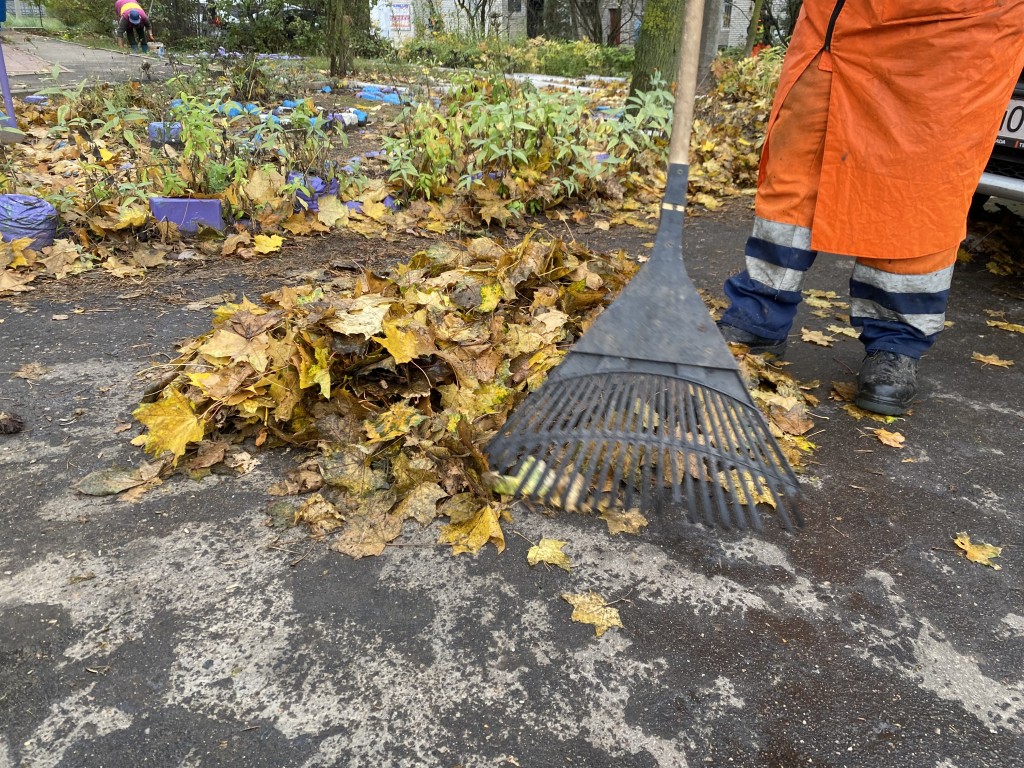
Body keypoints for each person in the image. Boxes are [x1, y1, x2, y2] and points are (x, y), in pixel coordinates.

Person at [716, 2, 1024, 416]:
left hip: (959, 30)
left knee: (919, 191)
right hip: (841, 21)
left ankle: (895, 341)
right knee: (799, 170)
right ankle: (758, 312)